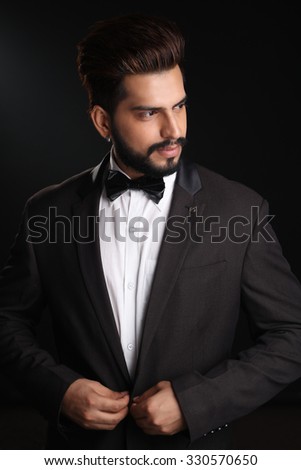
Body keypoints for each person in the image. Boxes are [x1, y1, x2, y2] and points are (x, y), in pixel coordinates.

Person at [0, 13, 301, 451]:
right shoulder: (48, 210)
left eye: (179, 106)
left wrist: (199, 401)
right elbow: (6, 320)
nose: (174, 129)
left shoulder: (242, 209)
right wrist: (59, 391)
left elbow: (293, 334)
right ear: (103, 122)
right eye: (149, 113)